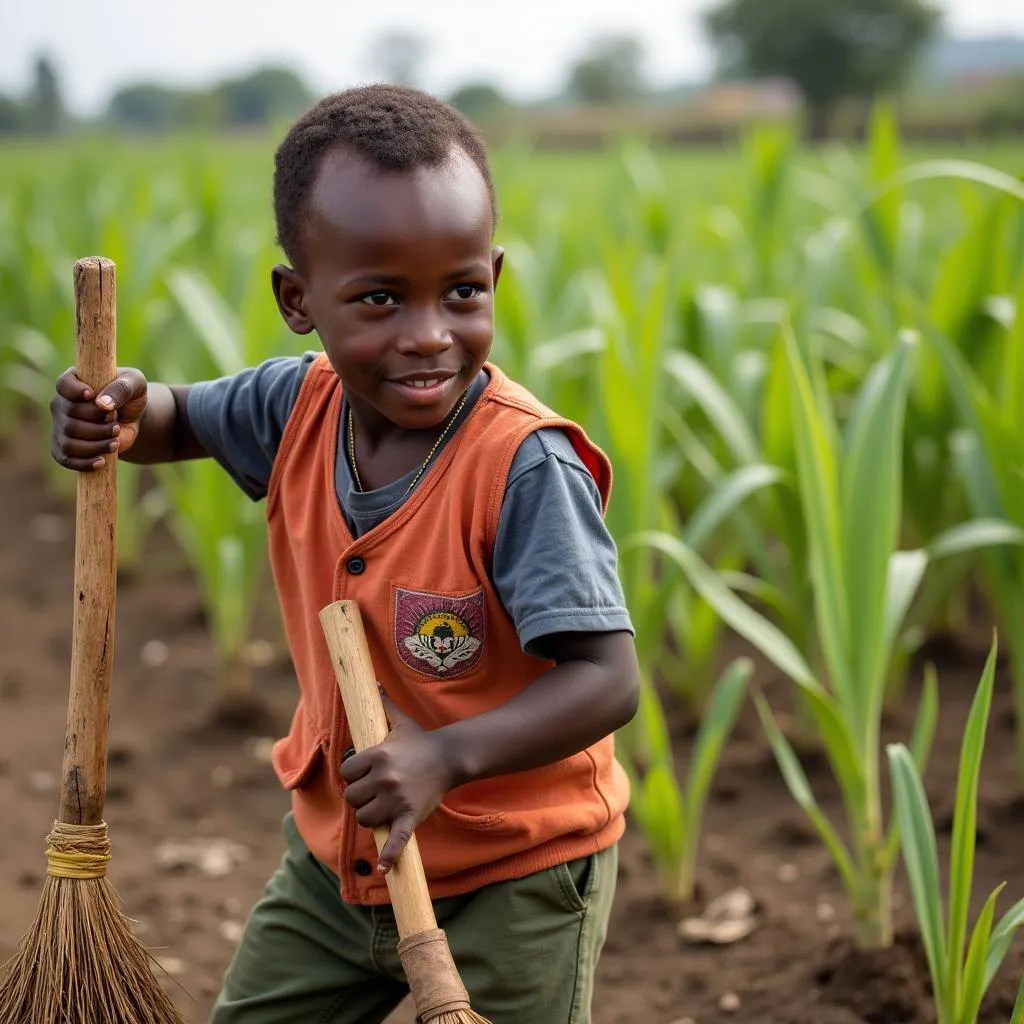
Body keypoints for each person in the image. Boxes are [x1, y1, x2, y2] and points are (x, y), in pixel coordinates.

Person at [50, 84, 640, 1023]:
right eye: (378, 299)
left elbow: (608, 680)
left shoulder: (522, 466)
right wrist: (115, 413)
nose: (428, 335)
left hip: (513, 874)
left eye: (462, 292)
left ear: (495, 276)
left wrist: (445, 757)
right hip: (337, 862)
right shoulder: (298, 405)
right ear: (298, 299)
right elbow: (175, 417)